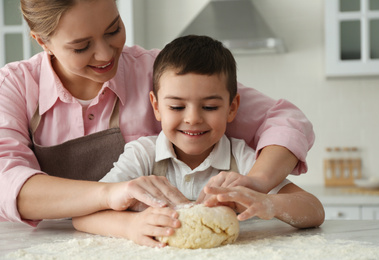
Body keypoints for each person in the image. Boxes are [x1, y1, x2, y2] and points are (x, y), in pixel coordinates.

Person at [0, 0, 314, 231]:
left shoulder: (160, 73)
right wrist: (113, 194)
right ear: (42, 41)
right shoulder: (14, 86)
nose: (106, 54)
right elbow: (6, 181)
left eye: (114, 29)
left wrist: (258, 184)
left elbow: (284, 119)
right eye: (81, 47)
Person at [72, 35, 324, 248]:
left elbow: (313, 209)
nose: (192, 118)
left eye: (210, 106)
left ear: (232, 108)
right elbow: (83, 215)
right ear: (157, 107)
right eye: (177, 106)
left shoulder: (241, 161)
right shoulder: (143, 156)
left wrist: (268, 202)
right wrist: (131, 225)